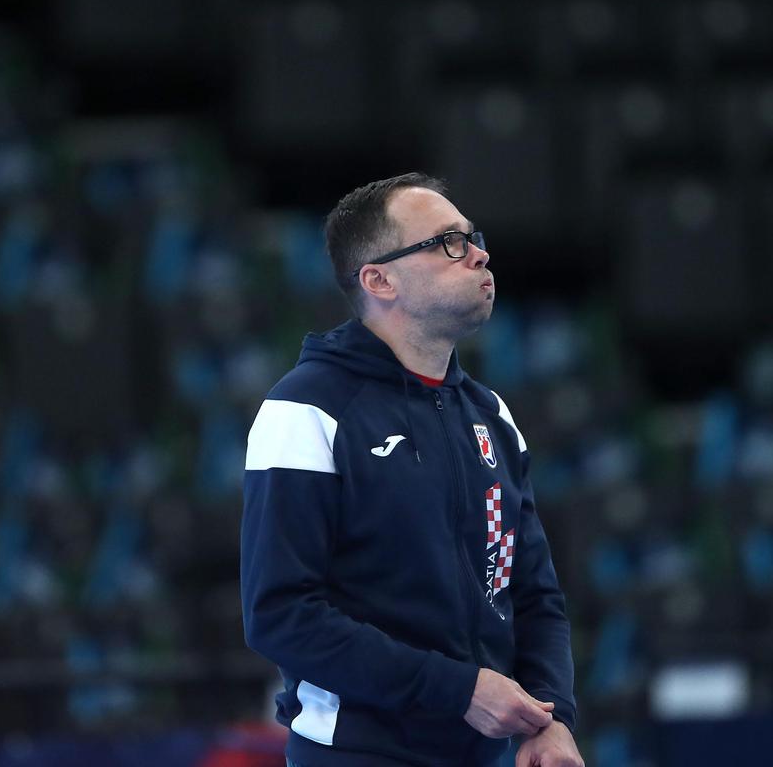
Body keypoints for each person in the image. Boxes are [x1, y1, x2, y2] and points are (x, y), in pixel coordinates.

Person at [240, 173, 583, 767]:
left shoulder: (492, 416)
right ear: (379, 280)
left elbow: (532, 596)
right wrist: (459, 690)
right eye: (448, 242)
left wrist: (551, 720)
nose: (478, 254)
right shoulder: (305, 411)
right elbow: (281, 616)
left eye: (473, 237)